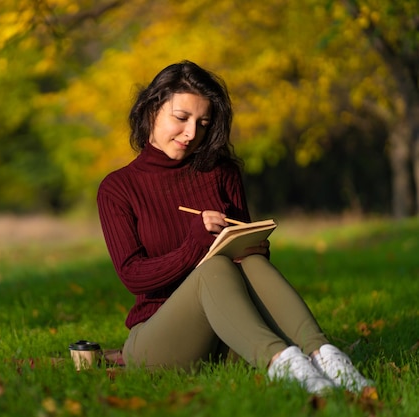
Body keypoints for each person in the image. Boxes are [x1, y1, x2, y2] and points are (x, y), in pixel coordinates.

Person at [96, 60, 372, 394]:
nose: (191, 134)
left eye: (203, 123)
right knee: (214, 267)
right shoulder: (118, 188)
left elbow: (249, 263)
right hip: (158, 342)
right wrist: (195, 246)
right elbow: (133, 276)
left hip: (227, 339)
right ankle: (283, 363)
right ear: (151, 110)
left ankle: (325, 356)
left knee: (248, 261)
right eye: (181, 118)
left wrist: (251, 246)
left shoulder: (221, 172)